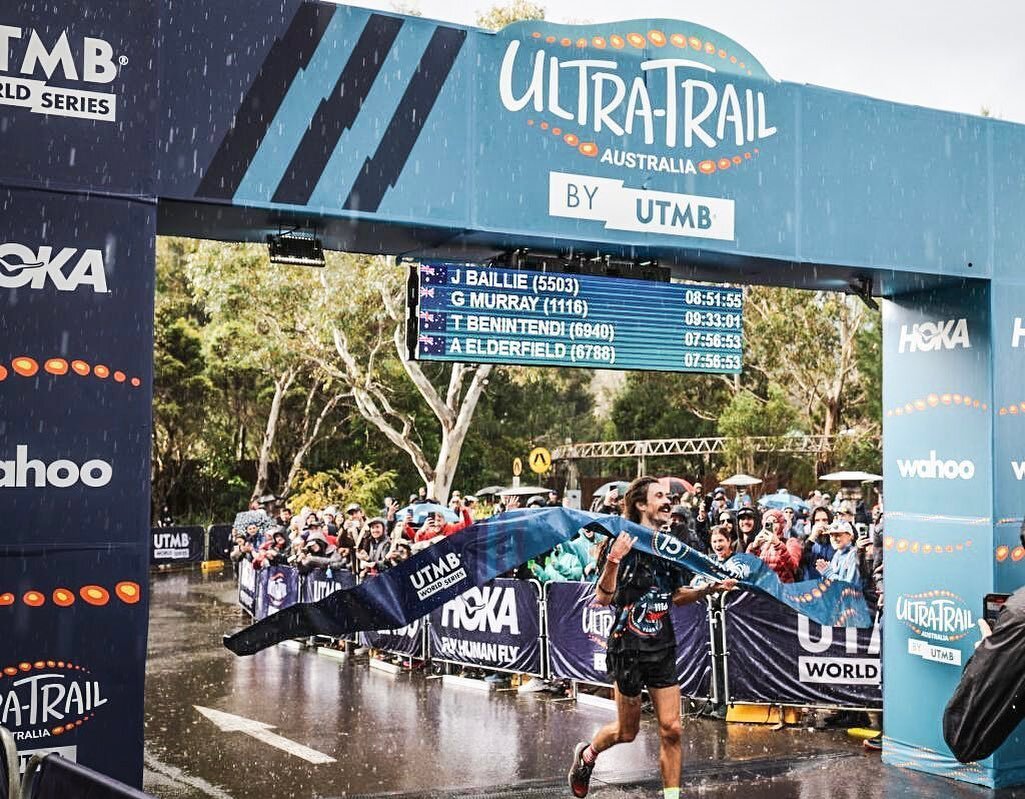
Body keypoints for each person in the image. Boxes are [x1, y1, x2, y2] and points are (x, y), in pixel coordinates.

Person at [568, 476, 735, 799]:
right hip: (627, 646)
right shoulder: (622, 540)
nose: (668, 500)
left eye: (669, 495)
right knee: (626, 731)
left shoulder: (670, 547)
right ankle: (587, 755)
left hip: (661, 645)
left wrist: (708, 589)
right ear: (642, 505)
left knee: (672, 729)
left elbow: (675, 596)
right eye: (660, 496)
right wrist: (614, 559)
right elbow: (603, 598)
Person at [746, 509, 800, 583]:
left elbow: (793, 567)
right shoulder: (762, 544)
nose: (771, 525)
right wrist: (754, 547)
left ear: (781, 524)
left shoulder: (790, 542)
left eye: (775, 522)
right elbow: (748, 567)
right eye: (768, 522)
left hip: (783, 589)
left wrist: (777, 544)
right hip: (763, 589)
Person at [816, 520, 862, 586]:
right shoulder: (837, 554)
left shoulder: (853, 554)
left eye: (838, 535)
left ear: (850, 536)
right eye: (831, 535)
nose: (834, 539)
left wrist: (828, 573)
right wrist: (825, 574)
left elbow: (850, 586)